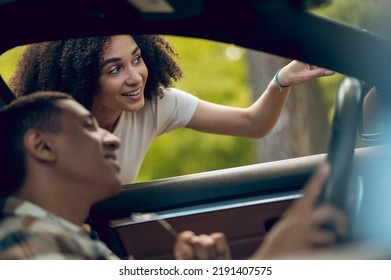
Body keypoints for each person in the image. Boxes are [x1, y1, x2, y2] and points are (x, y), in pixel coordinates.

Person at [0, 91, 346, 260]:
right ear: (42, 146)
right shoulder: (26, 245)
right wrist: (269, 261)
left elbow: (253, 122)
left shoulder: (65, 236)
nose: (113, 138)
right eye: (89, 127)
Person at [9, 35, 335, 184]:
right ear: (81, 79)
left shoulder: (156, 104)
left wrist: (280, 81)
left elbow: (253, 124)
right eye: (114, 69)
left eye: (137, 58)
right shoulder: (48, 128)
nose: (135, 76)